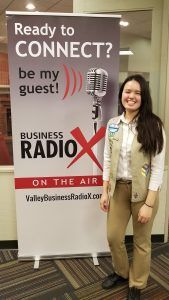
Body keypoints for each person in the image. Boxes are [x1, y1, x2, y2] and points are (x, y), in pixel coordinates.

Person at [100, 74, 166, 300]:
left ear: (143, 97)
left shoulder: (154, 125)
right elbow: (107, 158)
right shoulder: (112, 125)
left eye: (137, 93)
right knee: (113, 236)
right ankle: (121, 272)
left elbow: (157, 168)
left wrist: (149, 203)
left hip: (144, 193)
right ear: (121, 95)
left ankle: (136, 283)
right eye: (128, 91)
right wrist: (104, 190)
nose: (132, 96)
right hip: (118, 189)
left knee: (141, 241)